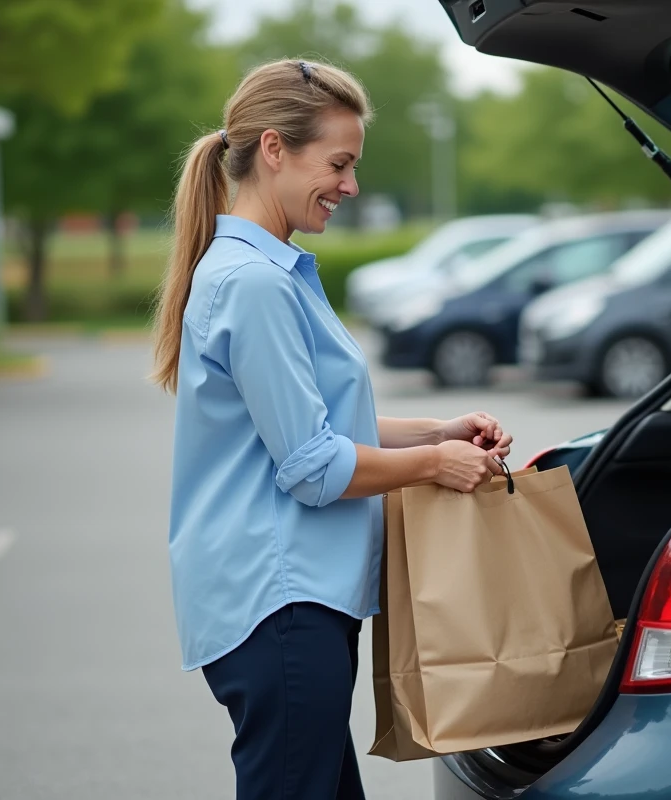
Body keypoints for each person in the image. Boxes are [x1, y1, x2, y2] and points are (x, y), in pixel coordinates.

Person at [149, 59, 514, 799]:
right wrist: (435, 464)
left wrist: (435, 431)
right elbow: (313, 466)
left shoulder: (262, 273)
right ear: (274, 149)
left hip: (285, 601)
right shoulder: (254, 284)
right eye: (339, 164)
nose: (350, 186)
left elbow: (311, 424)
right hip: (282, 601)